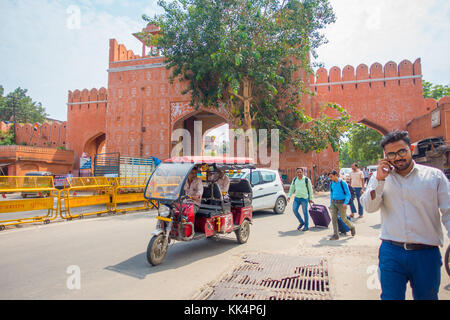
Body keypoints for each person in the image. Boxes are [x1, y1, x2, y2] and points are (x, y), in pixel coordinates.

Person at [361, 130, 450, 300]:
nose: (397, 157)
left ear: (411, 148)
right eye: (391, 154)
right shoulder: (380, 178)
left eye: (402, 151)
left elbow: (448, 211)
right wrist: (379, 180)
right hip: (392, 252)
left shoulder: (434, 177)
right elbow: (369, 207)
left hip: (426, 253)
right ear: (385, 156)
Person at [328, 170, 356, 240]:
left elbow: (348, 194)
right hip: (334, 202)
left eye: (331, 177)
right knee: (334, 218)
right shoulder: (331, 183)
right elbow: (332, 194)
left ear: (336, 175)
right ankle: (336, 235)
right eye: (330, 177)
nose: (330, 178)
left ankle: (352, 227)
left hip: (342, 203)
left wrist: (345, 203)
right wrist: (331, 203)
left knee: (343, 218)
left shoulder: (342, 183)